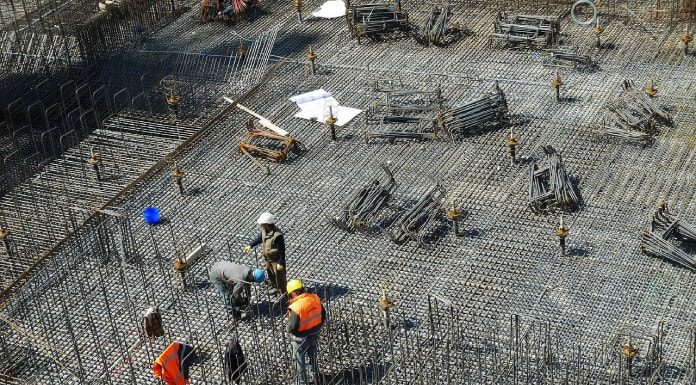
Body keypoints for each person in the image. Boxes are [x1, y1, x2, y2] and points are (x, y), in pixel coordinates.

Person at [286, 279, 326, 385]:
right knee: (312, 354)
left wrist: (293, 332)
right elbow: (323, 315)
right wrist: (316, 326)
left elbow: (292, 326)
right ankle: (316, 377)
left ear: (294, 293)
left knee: (299, 359)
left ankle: (302, 382)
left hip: (301, 337)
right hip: (315, 332)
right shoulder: (315, 298)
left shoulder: (296, 307)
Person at [244, 212, 287, 295]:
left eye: (262, 224)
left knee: (280, 277)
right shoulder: (265, 230)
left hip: (276, 260)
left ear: (267, 224)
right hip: (268, 259)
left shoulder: (277, 235)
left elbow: (282, 249)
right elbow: (260, 238)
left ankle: (283, 292)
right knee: (271, 274)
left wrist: (281, 262)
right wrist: (251, 245)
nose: (261, 225)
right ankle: (275, 288)